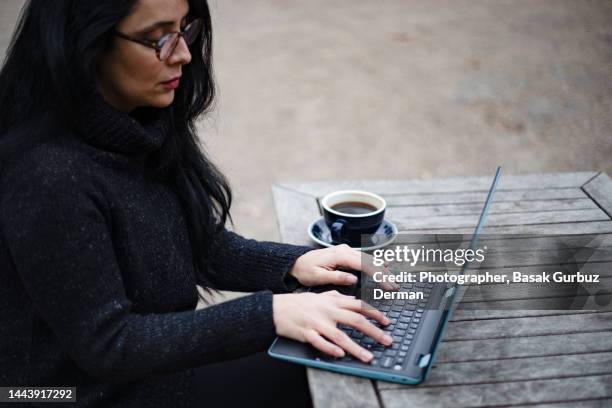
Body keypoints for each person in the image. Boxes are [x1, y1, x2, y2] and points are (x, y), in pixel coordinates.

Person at [0, 0, 392, 406]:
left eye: (185, 30)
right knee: (316, 368)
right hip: (64, 393)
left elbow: (196, 243)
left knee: (332, 344)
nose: (184, 54)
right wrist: (270, 313)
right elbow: (109, 345)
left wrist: (292, 264)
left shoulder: (139, 119)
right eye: (159, 39)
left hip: (145, 371)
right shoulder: (47, 175)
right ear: (86, 44)